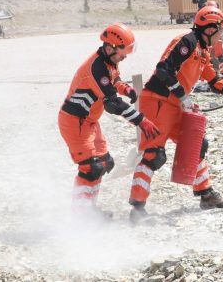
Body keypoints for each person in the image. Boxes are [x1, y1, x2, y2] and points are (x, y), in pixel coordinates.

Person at [128, 5, 223, 223]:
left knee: (197, 144)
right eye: (220, 31)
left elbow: (215, 81)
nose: (221, 36)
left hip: (175, 105)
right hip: (157, 103)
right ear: (209, 29)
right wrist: (183, 96)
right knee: (154, 155)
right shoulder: (187, 42)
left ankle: (206, 195)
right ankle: (137, 209)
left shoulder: (203, 51)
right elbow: (164, 69)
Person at [58, 23, 161, 219]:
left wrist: (126, 89)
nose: (125, 56)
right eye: (123, 52)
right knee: (90, 167)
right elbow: (112, 104)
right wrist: (141, 121)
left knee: (104, 163)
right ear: (110, 47)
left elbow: (114, 80)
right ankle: (81, 215)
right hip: (75, 122)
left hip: (89, 122)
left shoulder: (109, 61)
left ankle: (88, 208)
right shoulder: (96, 68)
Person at [205, 0, 223, 79]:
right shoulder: (207, 15)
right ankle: (217, 73)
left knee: (218, 54)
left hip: (217, 36)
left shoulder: (219, 16)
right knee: (211, 55)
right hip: (210, 37)